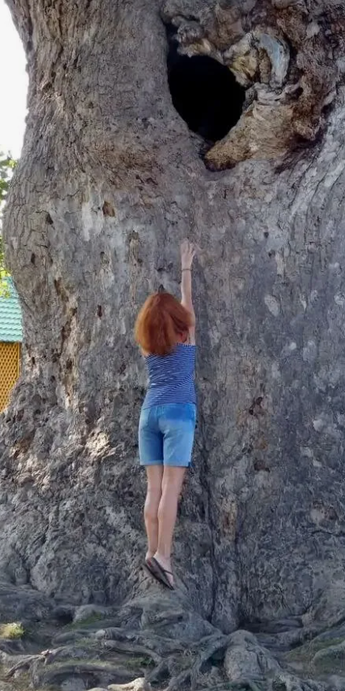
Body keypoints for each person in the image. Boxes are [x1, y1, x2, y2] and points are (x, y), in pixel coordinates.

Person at [135, 240, 198, 590]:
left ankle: (150, 550)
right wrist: (185, 267)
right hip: (179, 413)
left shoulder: (147, 345)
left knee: (153, 489)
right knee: (171, 492)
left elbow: (163, 320)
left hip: (149, 414)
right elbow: (188, 304)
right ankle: (163, 557)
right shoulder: (187, 338)